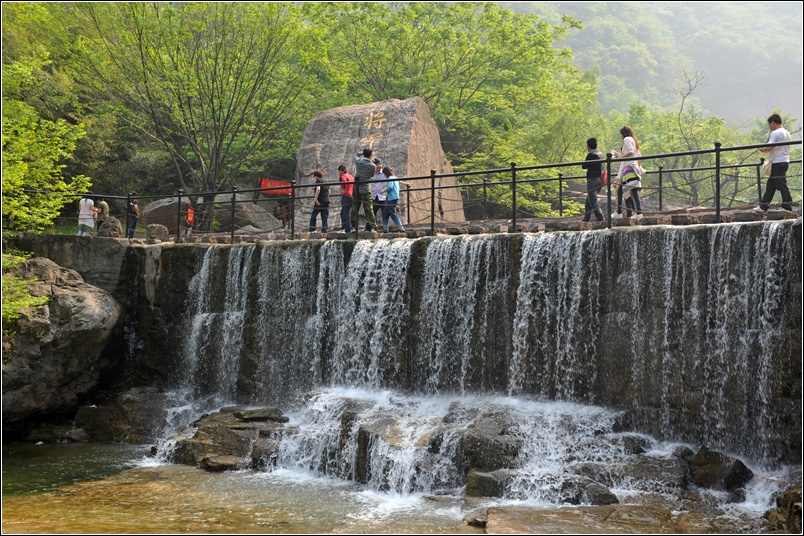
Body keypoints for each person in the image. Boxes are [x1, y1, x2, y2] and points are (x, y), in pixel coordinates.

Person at [755, 113, 793, 213]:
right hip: (784, 161)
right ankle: (763, 206)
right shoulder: (787, 133)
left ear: (772, 123)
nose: (770, 127)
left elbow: (770, 147)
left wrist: (762, 149)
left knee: (781, 184)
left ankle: (787, 205)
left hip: (777, 162)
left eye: (769, 125)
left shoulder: (775, 133)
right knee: (771, 185)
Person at [611, 126, 644, 220]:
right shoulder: (633, 140)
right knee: (632, 191)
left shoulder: (626, 139)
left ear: (623, 133)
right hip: (633, 167)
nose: (621, 137)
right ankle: (637, 213)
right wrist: (620, 156)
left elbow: (630, 152)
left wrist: (619, 157)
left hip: (629, 168)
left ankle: (620, 212)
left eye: (621, 134)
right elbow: (634, 154)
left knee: (622, 190)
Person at [351, 148, 378, 231]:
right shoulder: (372, 165)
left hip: (357, 188)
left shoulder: (359, 162)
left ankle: (353, 227)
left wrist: (362, 153)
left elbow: (355, 154)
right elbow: (371, 175)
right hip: (366, 188)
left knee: (355, 208)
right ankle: (373, 227)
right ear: (371, 155)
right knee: (369, 209)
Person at [581, 137, 605, 223]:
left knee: (593, 200)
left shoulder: (591, 155)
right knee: (589, 200)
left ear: (588, 146)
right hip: (599, 180)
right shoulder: (600, 154)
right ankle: (586, 218)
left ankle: (600, 217)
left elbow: (584, 166)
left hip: (592, 180)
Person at [380, 166, 410, 232]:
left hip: (391, 198)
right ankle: (385, 228)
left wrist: (383, 190)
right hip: (394, 197)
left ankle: (400, 227)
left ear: (386, 173)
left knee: (393, 213)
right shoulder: (395, 178)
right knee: (385, 214)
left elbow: (390, 187)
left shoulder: (390, 178)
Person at [309, 169, 330, 233]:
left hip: (320, 201)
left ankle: (312, 229)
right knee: (324, 216)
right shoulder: (325, 181)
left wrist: (316, 199)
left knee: (314, 215)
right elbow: (329, 191)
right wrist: (327, 197)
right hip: (326, 201)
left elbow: (318, 189)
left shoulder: (318, 180)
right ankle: (324, 230)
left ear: (316, 176)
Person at [338, 164, 354, 233]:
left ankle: (347, 229)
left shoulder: (343, 176)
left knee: (345, 213)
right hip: (351, 195)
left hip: (346, 195)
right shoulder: (350, 176)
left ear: (340, 171)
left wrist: (344, 190)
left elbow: (344, 181)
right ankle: (344, 227)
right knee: (343, 212)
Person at [371, 158, 386, 223]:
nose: (379, 165)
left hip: (383, 196)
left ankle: (385, 228)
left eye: (380, 164)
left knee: (385, 214)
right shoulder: (371, 174)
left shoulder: (384, 173)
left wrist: (404, 183)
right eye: (377, 164)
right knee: (372, 213)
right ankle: (369, 228)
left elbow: (393, 178)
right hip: (375, 196)